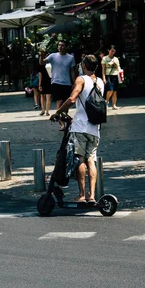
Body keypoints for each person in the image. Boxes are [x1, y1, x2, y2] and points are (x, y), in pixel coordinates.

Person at [50, 54, 104, 204]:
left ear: (83, 66)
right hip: (95, 128)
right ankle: (92, 195)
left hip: (80, 126)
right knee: (91, 160)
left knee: (79, 159)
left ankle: (81, 195)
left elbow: (72, 99)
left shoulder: (81, 79)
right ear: (96, 67)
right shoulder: (100, 82)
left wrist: (58, 112)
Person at [40, 40, 76, 129]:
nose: (60, 47)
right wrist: (41, 55)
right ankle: (61, 124)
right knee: (59, 102)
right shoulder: (53, 56)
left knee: (66, 105)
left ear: (66, 47)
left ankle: (64, 119)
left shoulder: (70, 58)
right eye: (59, 45)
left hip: (67, 83)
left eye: (62, 45)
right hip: (56, 82)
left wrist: (74, 82)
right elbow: (42, 62)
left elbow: (72, 71)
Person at [101, 45, 121, 110]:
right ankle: (106, 101)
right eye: (111, 51)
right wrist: (103, 78)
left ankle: (114, 105)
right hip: (108, 75)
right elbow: (103, 69)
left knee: (115, 91)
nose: (112, 52)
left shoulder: (116, 59)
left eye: (114, 51)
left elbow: (118, 68)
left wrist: (115, 64)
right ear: (108, 50)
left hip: (115, 75)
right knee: (110, 89)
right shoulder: (105, 58)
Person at [38, 51, 52, 116]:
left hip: (46, 81)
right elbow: (40, 74)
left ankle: (45, 110)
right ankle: (45, 110)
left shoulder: (42, 65)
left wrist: (39, 84)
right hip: (48, 81)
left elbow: (40, 74)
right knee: (45, 96)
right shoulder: (51, 64)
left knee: (44, 96)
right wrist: (40, 84)